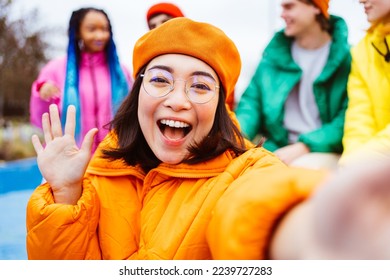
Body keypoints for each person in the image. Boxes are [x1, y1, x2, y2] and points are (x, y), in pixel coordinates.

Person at [25, 18, 388, 260]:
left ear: (219, 105)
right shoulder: (98, 172)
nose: (178, 100)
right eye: (160, 79)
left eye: (200, 85)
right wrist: (67, 195)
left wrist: (318, 233)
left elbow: (262, 206)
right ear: (138, 92)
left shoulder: (245, 170)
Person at [235, 0, 351, 170]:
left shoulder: (347, 59)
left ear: (315, 7)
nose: (282, 14)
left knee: (291, 176)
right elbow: (251, 105)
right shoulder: (272, 57)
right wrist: (234, 140)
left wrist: (305, 146)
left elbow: (347, 118)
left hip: (322, 150)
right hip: (277, 149)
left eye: (289, 7)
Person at [30, 7, 132, 154]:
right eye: (92, 29)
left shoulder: (122, 73)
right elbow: (40, 118)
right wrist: (42, 92)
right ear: (78, 32)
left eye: (104, 29)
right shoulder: (56, 69)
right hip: (68, 157)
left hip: (112, 159)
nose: (100, 35)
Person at [339, 0, 390, 166]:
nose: (360, 1)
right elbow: (359, 116)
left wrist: (364, 160)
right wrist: (350, 162)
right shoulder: (362, 50)